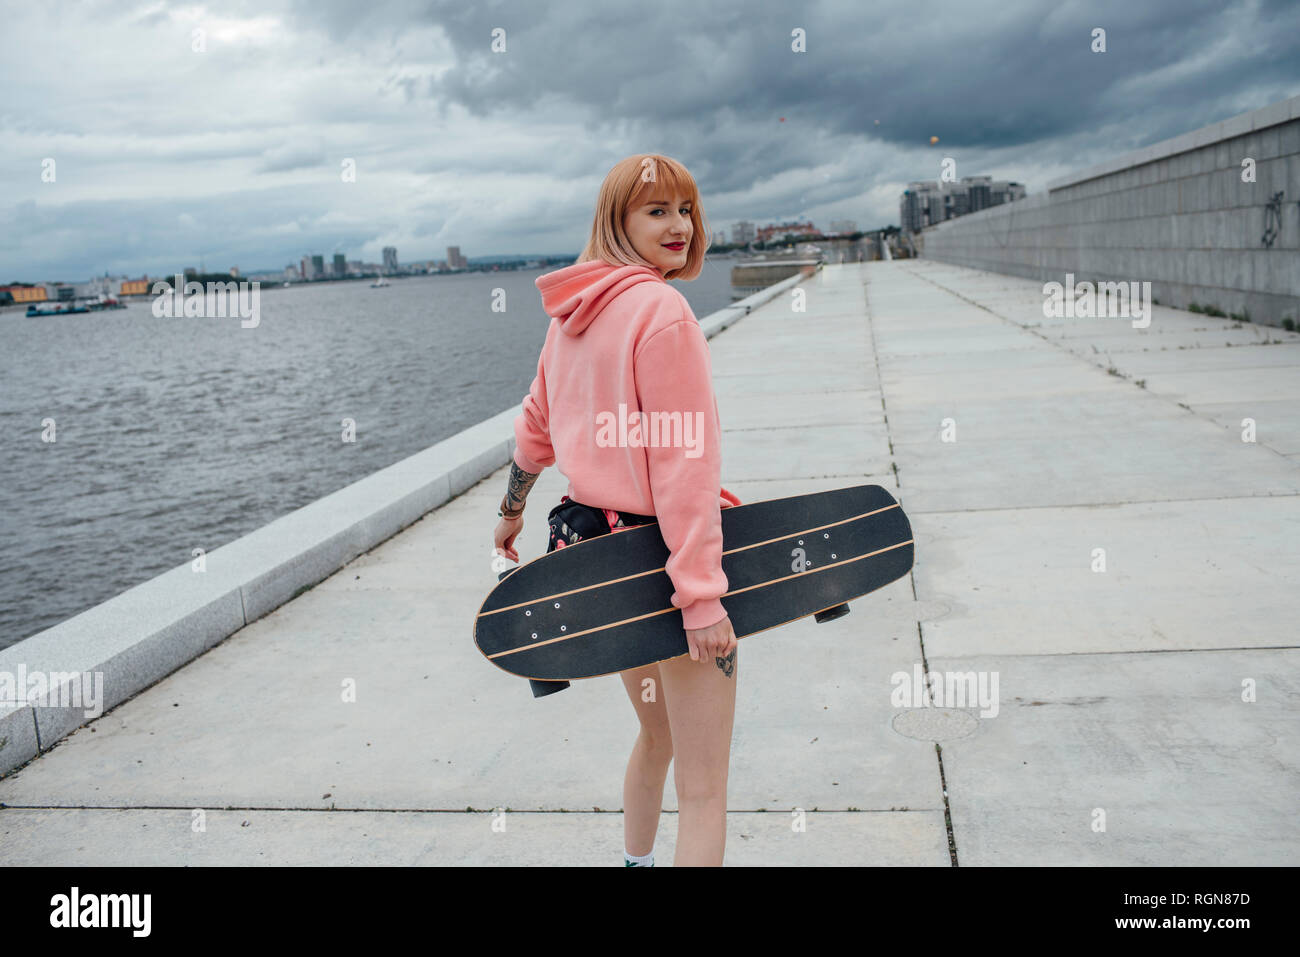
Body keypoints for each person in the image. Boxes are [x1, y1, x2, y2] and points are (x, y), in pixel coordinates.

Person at [492, 153, 741, 867]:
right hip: (661, 566)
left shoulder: (571, 314)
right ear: (617, 220)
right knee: (704, 789)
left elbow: (534, 430)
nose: (679, 226)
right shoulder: (662, 312)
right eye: (656, 210)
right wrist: (699, 597)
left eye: (685, 209)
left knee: (658, 738)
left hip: (597, 561)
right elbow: (685, 467)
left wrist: (511, 509)